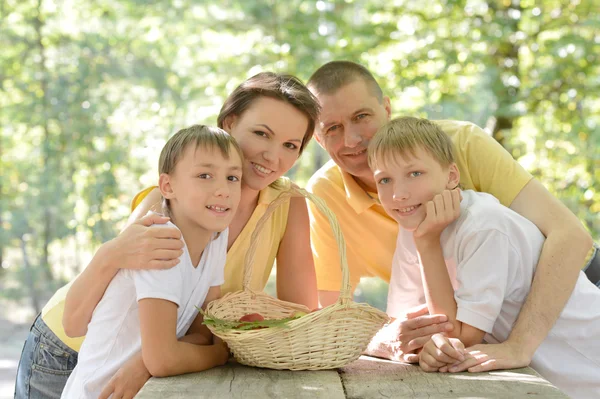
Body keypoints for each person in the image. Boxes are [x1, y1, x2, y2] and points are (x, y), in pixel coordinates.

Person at [14, 72, 320, 399]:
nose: (273, 157)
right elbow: (88, 311)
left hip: (163, 354)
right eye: (261, 133)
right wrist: (163, 357)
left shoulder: (286, 204)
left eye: (290, 145)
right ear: (229, 124)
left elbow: (295, 313)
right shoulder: (169, 207)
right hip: (66, 349)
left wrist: (147, 362)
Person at [305, 60, 598, 370]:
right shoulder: (327, 194)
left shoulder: (458, 145)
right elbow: (332, 312)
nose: (351, 139)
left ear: (387, 109)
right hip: (483, 327)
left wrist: (518, 346)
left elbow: (571, 237)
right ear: (318, 139)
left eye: (361, 116)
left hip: (574, 290)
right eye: (333, 128)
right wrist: (385, 341)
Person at [369, 116, 600, 398]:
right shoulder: (415, 227)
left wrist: (427, 244)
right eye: (384, 180)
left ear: (452, 176)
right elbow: (406, 325)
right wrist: (429, 347)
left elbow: (461, 337)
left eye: (415, 173)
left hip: (586, 360)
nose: (399, 194)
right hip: (545, 377)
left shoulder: (483, 225)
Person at [60, 124, 239, 398]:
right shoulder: (161, 241)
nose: (223, 189)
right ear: (167, 186)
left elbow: (202, 330)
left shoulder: (216, 236)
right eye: (205, 175)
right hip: (97, 392)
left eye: (232, 178)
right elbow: (165, 359)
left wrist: (188, 348)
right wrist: (217, 354)